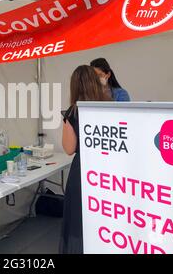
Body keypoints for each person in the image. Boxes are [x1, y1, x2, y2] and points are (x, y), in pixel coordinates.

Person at [60, 65, 111, 254]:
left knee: (79, 221)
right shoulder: (109, 108)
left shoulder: (73, 112)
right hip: (107, 171)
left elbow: (68, 148)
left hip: (83, 172)